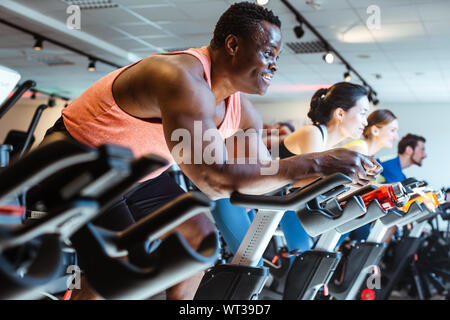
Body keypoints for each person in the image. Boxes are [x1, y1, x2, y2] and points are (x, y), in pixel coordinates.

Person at [41, 2, 380, 299]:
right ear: (233, 44)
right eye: (267, 54)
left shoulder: (244, 112)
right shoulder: (179, 77)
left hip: (138, 175)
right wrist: (319, 160)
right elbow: (212, 180)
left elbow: (258, 178)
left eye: (277, 57)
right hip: (78, 164)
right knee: (121, 266)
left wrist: (333, 176)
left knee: (200, 241)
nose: (274, 65)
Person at [277, 82, 374, 253]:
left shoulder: (325, 146)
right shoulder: (312, 134)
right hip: (244, 198)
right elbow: (310, 187)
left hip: (281, 204)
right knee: (304, 259)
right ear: (340, 113)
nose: (366, 122)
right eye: (362, 113)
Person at [343, 109, 399, 242]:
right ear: (375, 131)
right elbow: (350, 188)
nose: (396, 136)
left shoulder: (369, 156)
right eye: (392, 130)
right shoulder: (360, 149)